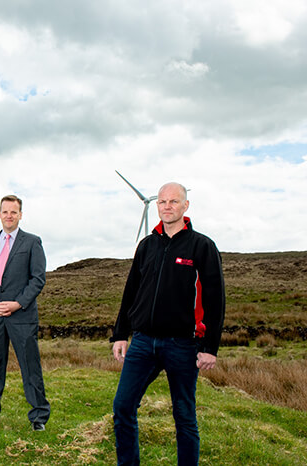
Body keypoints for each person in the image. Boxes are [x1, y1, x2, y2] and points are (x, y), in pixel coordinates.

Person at [110, 182, 225, 465]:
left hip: (183, 344)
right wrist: (121, 333)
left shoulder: (202, 246)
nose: (166, 206)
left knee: (184, 414)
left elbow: (215, 299)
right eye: (162, 202)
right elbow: (131, 292)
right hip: (143, 341)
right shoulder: (147, 245)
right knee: (123, 406)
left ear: (185, 206)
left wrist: (210, 347)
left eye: (173, 201)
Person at [0, 194, 51, 431]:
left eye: (13, 212)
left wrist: (18, 303)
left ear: (20, 215)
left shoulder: (32, 242)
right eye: (5, 211)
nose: (9, 216)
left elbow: (38, 279)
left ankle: (38, 417)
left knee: (30, 367)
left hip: (22, 316)